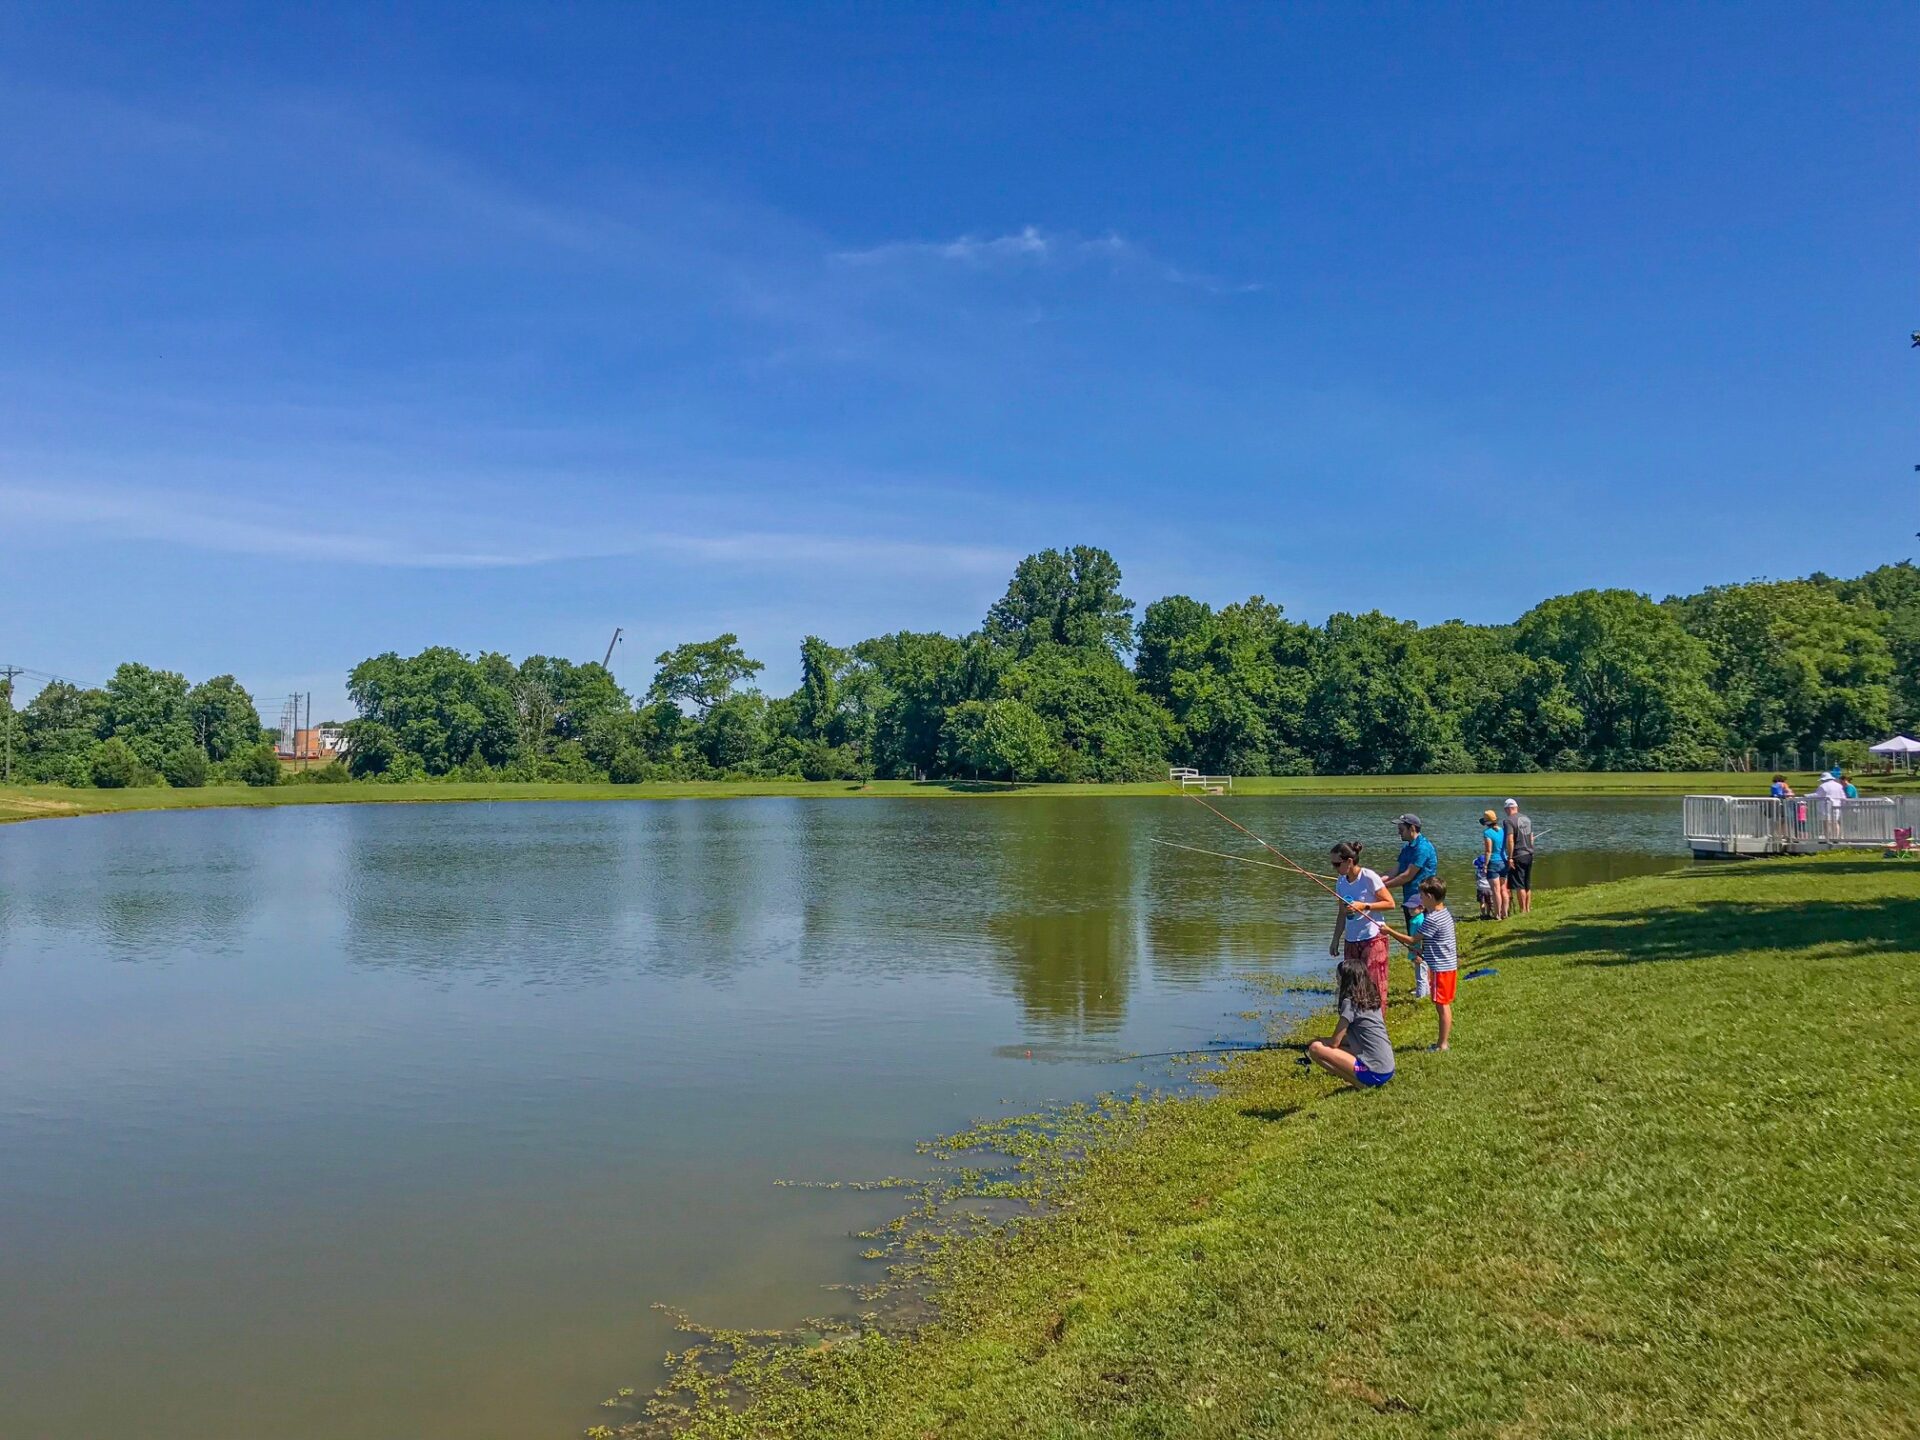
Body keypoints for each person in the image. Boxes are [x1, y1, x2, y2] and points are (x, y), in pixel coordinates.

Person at [1305, 953, 1395, 1088]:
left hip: (1372, 1072)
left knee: (1315, 1048)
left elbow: (1335, 1042)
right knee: (1340, 1044)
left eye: (1338, 977)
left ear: (1346, 980)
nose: (1336, 980)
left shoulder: (1350, 1003)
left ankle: (1359, 1083)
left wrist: (1318, 1040)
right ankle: (1360, 1080)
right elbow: (1346, 1040)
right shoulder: (1370, 998)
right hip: (1387, 1069)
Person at [1328, 839, 1394, 1017]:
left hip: (1373, 939)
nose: (1334, 868)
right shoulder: (1340, 882)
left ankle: (1377, 1026)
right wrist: (1335, 939)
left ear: (1349, 861)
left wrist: (1364, 906)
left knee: (1374, 985)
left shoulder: (1369, 877)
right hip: (1351, 940)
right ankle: (1354, 1027)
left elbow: (1390, 903)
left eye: (1337, 864)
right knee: (1351, 987)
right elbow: (1342, 913)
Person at [1379, 814, 1438, 995]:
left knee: (1422, 943)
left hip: (1423, 902)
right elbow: (1396, 870)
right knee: (1416, 941)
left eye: (1401, 828)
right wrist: (1376, 881)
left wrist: (1382, 887)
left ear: (1412, 828)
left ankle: (1426, 987)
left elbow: (1408, 875)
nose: (1398, 831)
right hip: (1410, 901)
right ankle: (1425, 984)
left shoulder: (1423, 848)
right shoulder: (1407, 848)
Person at [1411, 877, 1457, 1050]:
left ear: (1430, 896)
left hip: (1441, 969)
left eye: (1421, 895)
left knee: (1442, 1006)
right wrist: (1424, 952)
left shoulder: (1432, 919)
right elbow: (1438, 941)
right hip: (1448, 966)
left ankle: (1442, 1044)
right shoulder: (1443, 912)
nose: (1420, 898)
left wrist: (1388, 930)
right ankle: (1442, 1043)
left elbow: (1412, 939)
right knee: (1443, 1004)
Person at [1502, 798, 1536, 916]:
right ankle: (1527, 908)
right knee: (1527, 883)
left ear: (1508, 808)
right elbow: (1531, 837)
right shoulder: (1527, 819)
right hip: (1529, 853)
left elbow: (1510, 839)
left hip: (1518, 854)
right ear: (1516, 807)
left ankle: (1523, 911)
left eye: (1505, 809)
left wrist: (1510, 857)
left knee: (1519, 884)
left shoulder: (1508, 821)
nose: (1505, 811)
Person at [1480, 808, 1508, 919]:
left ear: (1487, 822)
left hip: (1494, 863)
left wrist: (1485, 865)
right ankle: (1505, 913)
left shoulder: (1487, 833)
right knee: (1503, 889)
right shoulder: (1503, 831)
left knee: (1496, 890)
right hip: (1504, 861)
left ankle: (1497, 915)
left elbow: (1488, 851)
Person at [1473, 852, 1493, 919]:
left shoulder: (1477, 870)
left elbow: (1474, 862)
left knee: (1482, 902)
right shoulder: (1490, 869)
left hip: (1480, 888)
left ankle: (1483, 914)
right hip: (1489, 888)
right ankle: (1488, 914)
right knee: (1489, 902)